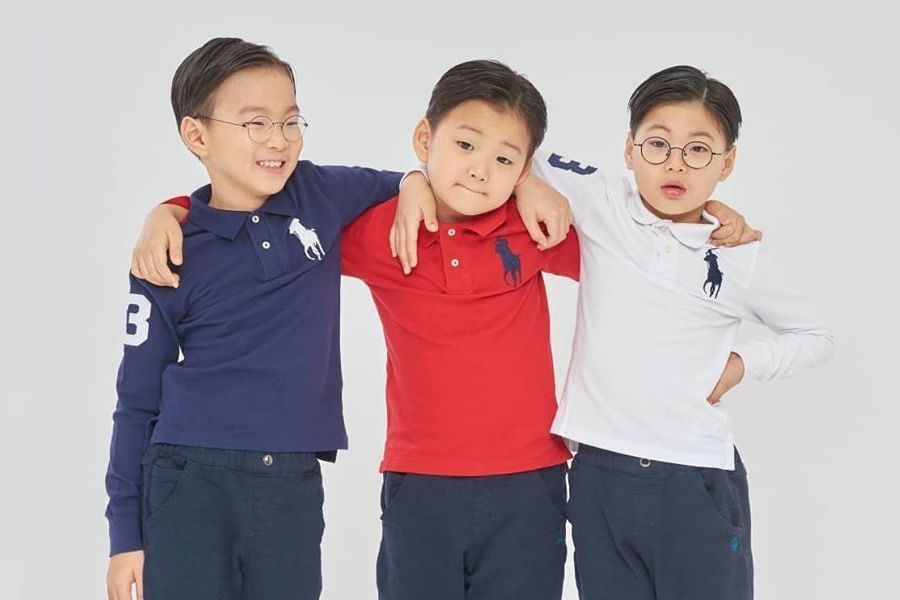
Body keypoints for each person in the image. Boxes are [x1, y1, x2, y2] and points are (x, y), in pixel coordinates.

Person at [104, 37, 405, 600]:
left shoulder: (318, 192)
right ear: (198, 136)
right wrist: (124, 536)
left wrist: (419, 187)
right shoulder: (168, 251)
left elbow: (416, 179)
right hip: (189, 479)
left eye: (290, 121)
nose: (279, 140)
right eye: (256, 123)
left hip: (292, 482)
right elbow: (136, 400)